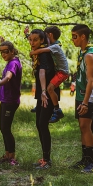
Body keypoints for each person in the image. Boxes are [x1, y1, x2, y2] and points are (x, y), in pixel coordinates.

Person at [69, 24, 93, 173]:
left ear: (83, 37)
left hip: (89, 96)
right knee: (82, 127)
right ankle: (85, 159)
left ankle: (92, 163)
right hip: (82, 94)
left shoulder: (90, 55)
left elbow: (91, 81)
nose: (72, 39)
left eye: (75, 36)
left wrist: (85, 102)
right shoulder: (83, 53)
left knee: (86, 127)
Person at [28, 29, 60, 169]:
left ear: (42, 40)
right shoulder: (39, 52)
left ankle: (47, 160)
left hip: (47, 92)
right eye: (30, 39)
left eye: (35, 40)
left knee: (42, 124)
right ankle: (45, 158)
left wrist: (42, 92)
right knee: (39, 124)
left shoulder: (45, 54)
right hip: (42, 93)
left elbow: (42, 72)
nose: (32, 42)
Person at [0, 41, 22, 166]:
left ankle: (12, 157)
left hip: (11, 100)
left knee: (6, 128)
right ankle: (7, 154)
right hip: (4, 99)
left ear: (12, 51)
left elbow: (8, 77)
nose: (3, 54)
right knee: (3, 128)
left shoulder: (13, 63)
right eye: (1, 51)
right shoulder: (10, 62)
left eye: (6, 51)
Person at [30, 26, 69, 123]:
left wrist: (32, 52)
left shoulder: (55, 46)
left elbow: (41, 50)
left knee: (49, 88)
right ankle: (39, 105)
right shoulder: (53, 45)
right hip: (59, 71)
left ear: (49, 35)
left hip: (62, 72)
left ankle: (57, 110)